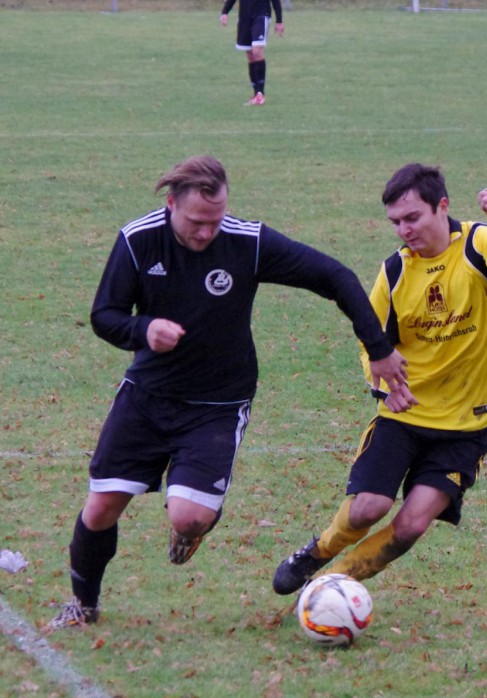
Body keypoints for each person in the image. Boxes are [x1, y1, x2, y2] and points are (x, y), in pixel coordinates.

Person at [45, 157, 408, 631]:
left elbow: (334, 276)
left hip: (217, 405)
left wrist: (378, 349)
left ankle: (191, 527)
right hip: (147, 396)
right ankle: (83, 604)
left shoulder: (246, 242)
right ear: (172, 203)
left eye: (214, 221)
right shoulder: (138, 240)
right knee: (101, 508)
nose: (205, 233)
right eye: (196, 222)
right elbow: (104, 315)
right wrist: (143, 328)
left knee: (190, 517)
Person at [272, 164, 487, 594]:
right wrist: (381, 384)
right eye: (396, 222)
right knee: (365, 510)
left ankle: (328, 586)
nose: (403, 230)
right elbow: (370, 342)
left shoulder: (478, 244)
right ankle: (316, 553)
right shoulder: (394, 273)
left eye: (412, 218)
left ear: (442, 207)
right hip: (405, 414)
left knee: (412, 524)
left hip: (466, 427)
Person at [220, 0, 284, 106]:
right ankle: (256, 94)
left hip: (261, 15)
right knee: (250, 55)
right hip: (244, 17)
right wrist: (225, 12)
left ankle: (260, 94)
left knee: (257, 51)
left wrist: (279, 21)